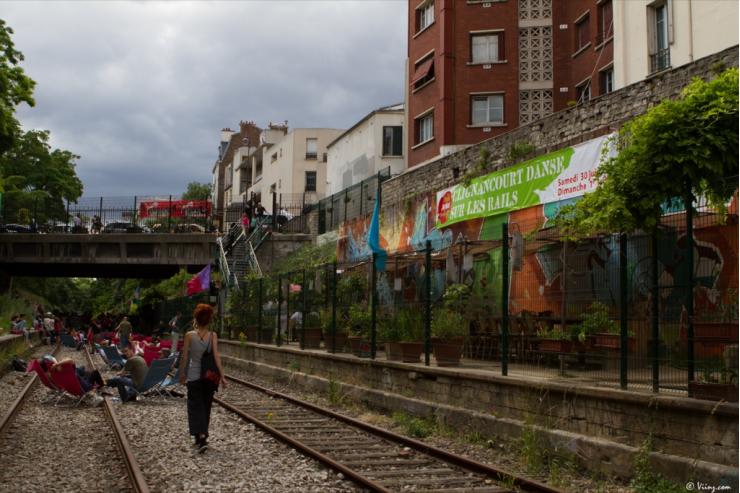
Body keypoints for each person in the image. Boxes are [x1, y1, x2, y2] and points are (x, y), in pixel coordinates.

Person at [179, 304, 226, 453]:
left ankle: (199, 436)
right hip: (209, 377)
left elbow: (185, 357)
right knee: (206, 405)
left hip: (193, 376)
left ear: (196, 319)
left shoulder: (189, 335)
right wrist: (223, 376)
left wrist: (181, 373)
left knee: (195, 406)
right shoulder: (213, 335)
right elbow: (216, 356)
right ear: (209, 320)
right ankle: (203, 436)